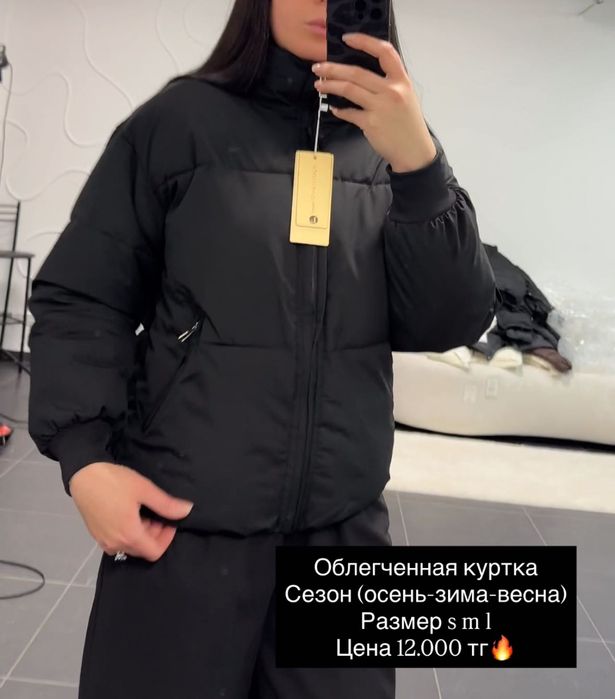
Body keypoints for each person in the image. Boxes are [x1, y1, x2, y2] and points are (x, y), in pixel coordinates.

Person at [27, 0, 497, 697]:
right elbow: (83, 295)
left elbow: (448, 321)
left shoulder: (394, 144)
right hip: (182, 530)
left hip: (342, 536)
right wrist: (85, 460)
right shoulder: (178, 125)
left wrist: (420, 165)